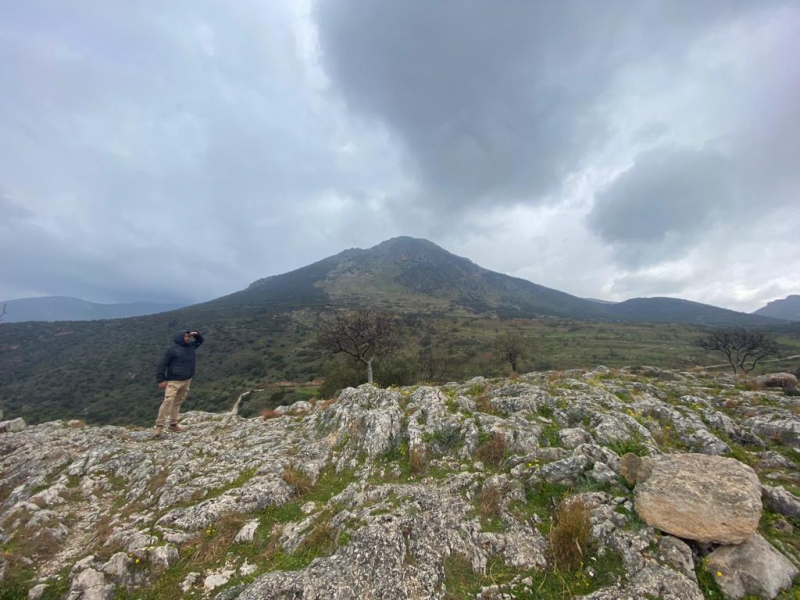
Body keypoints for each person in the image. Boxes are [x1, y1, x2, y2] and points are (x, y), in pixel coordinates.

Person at [154, 330, 204, 437]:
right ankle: (159, 426)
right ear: (180, 337)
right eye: (186, 336)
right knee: (168, 401)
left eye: (188, 336)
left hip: (187, 380)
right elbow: (162, 364)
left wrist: (196, 334)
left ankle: (173, 424)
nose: (188, 338)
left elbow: (201, 340)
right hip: (174, 381)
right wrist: (161, 379)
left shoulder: (191, 347)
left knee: (177, 402)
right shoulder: (172, 350)